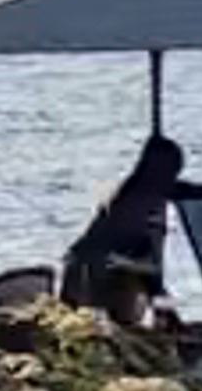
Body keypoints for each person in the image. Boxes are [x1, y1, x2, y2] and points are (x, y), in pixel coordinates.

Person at [61, 127, 186, 325]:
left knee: (147, 275)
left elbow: (186, 190)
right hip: (92, 263)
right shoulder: (136, 194)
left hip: (113, 260)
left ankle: (167, 321)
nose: (174, 177)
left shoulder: (147, 190)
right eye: (172, 171)